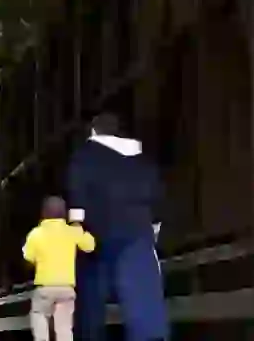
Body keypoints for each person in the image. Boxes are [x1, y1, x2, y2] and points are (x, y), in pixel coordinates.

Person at [67, 112, 168, 341]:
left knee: (91, 310)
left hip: (98, 239)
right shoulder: (142, 160)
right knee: (145, 312)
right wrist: (153, 231)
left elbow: (77, 199)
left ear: (94, 132)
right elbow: (157, 199)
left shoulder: (84, 158)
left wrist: (76, 232)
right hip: (137, 237)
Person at [22, 196, 96, 341]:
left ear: (43, 213)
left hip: (44, 288)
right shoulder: (72, 231)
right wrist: (78, 226)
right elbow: (90, 246)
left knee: (39, 314)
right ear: (64, 214)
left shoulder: (36, 233)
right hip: (66, 289)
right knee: (64, 328)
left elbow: (27, 257)